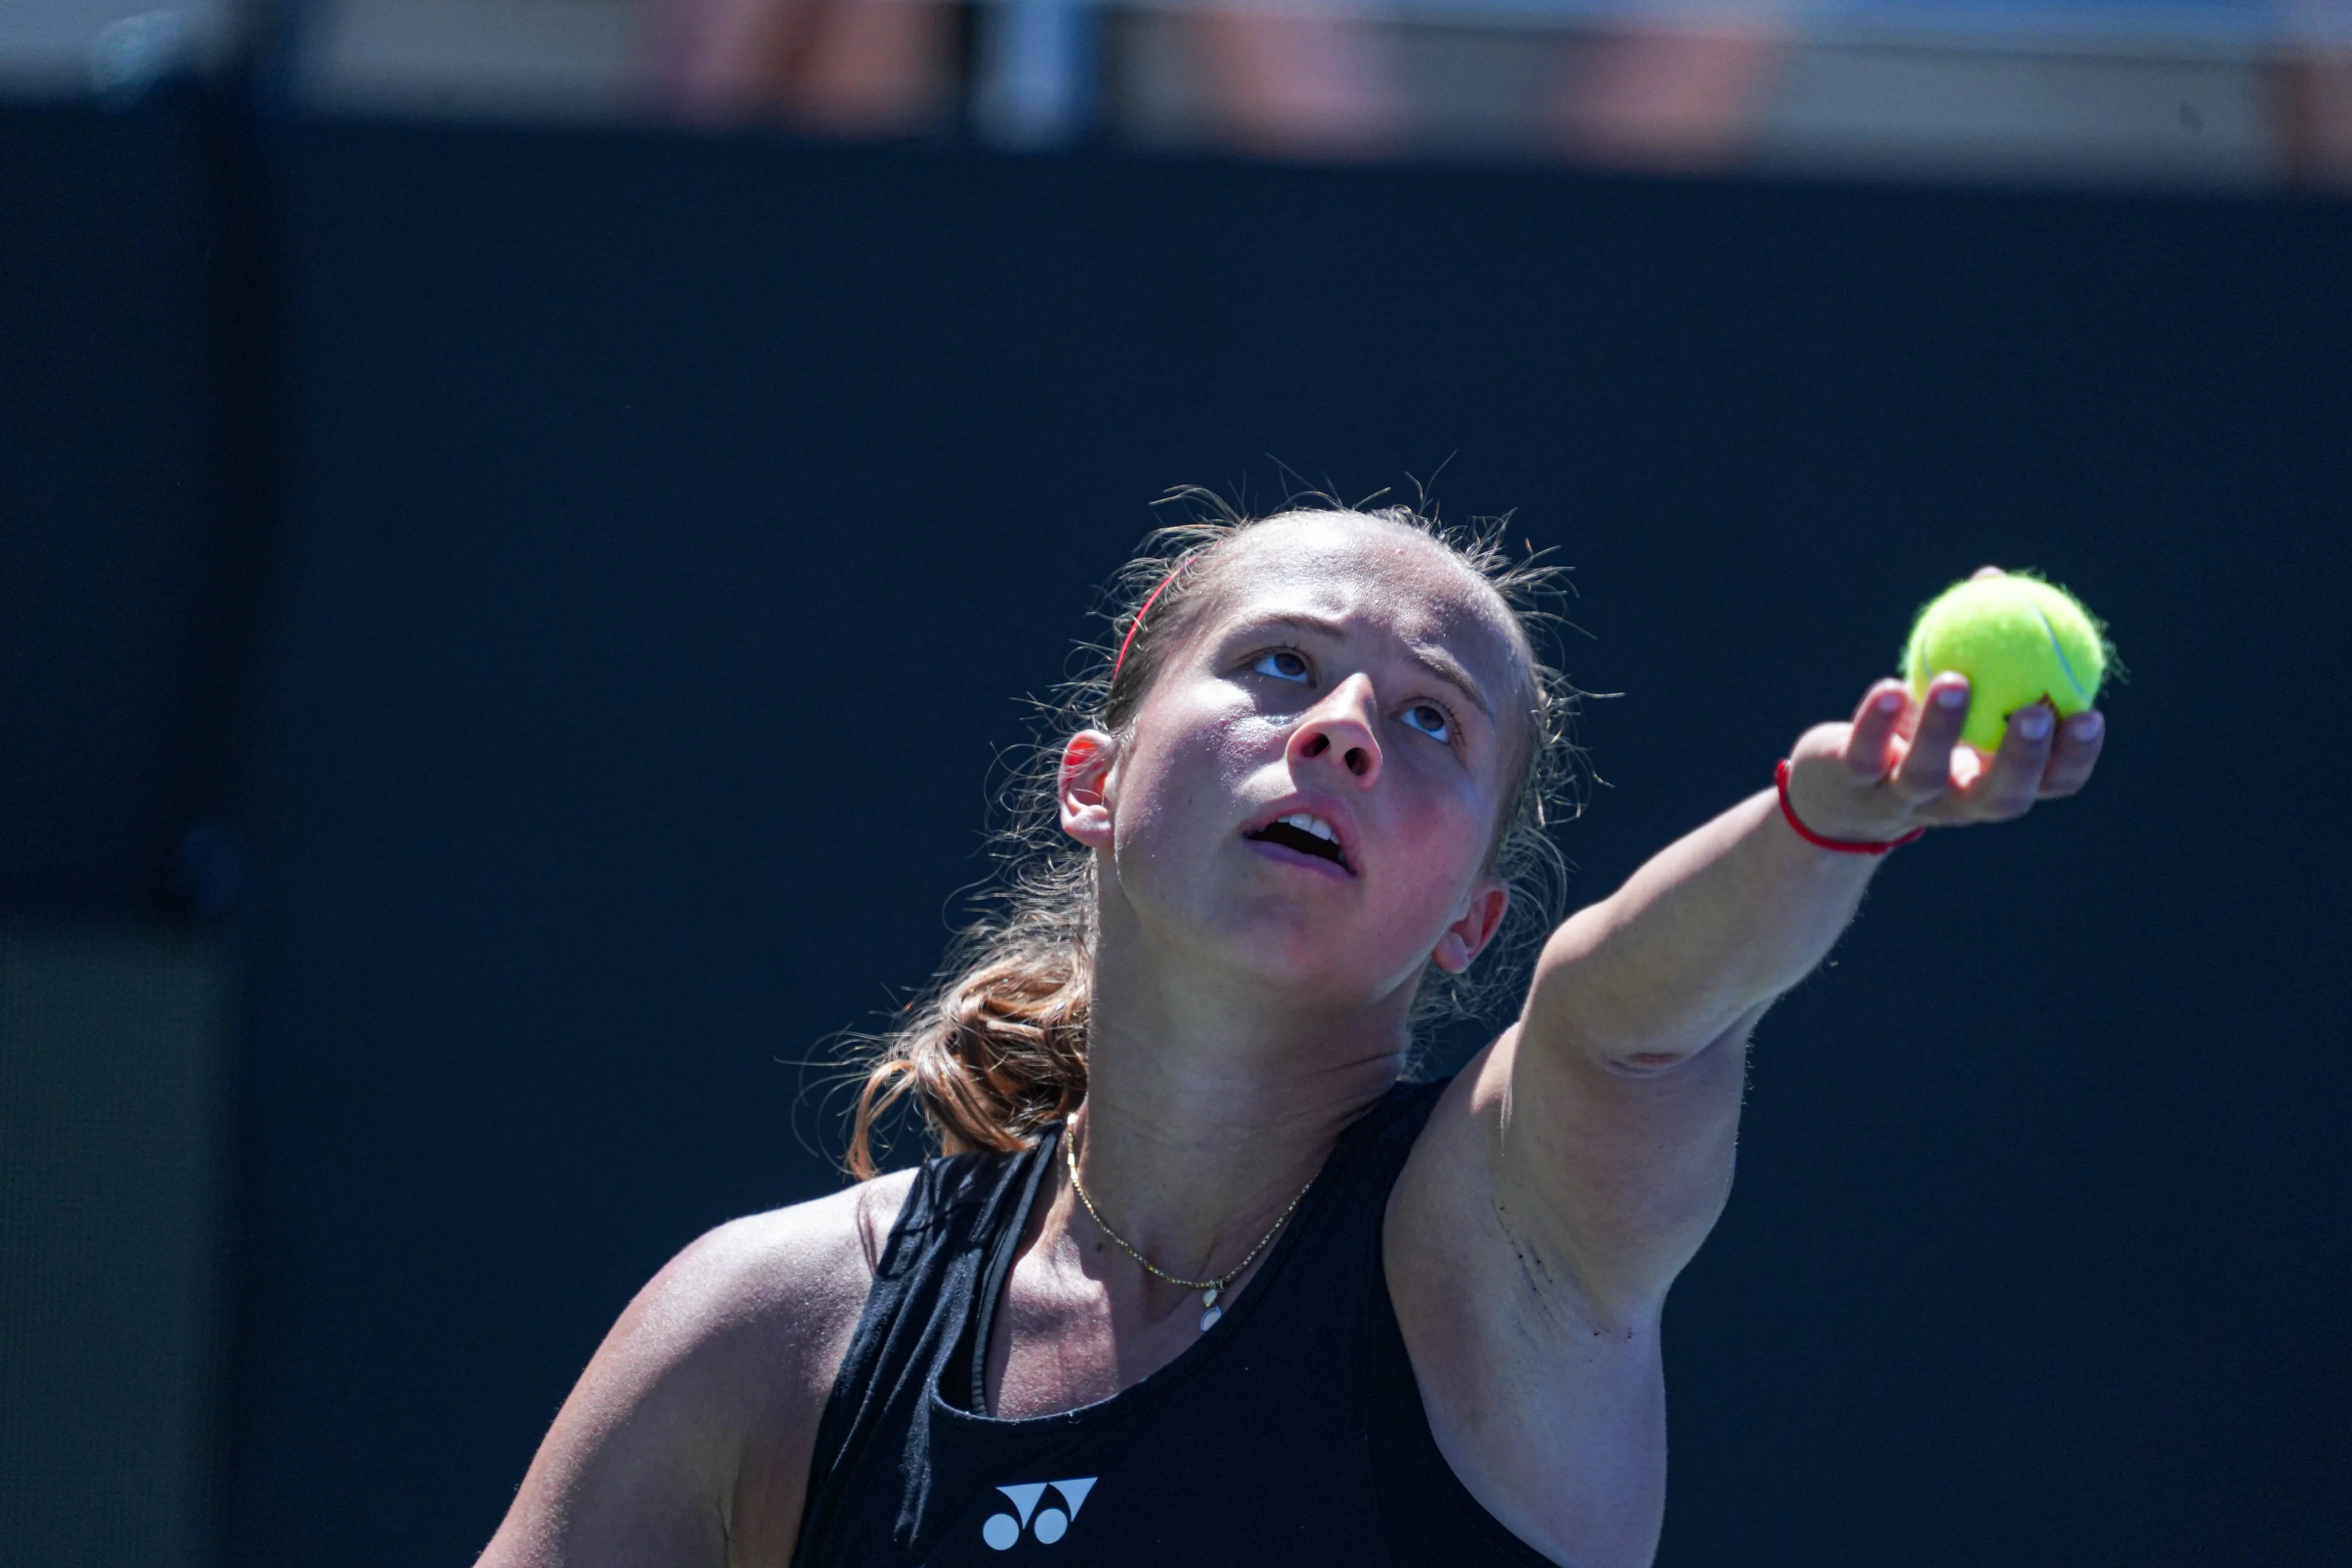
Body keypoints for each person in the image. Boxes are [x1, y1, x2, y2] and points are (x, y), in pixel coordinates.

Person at [475, 502, 2104, 1567]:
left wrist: (1828, 823)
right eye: (1277, 666)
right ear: (1095, 780)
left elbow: (1622, 1023)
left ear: (1471, 919)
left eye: (1428, 724)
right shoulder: (769, 1324)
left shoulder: (1506, 1246)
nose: (1336, 728)